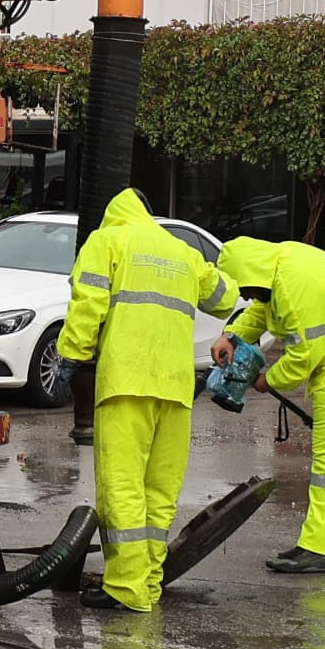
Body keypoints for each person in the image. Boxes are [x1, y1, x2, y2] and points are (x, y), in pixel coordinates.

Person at [40, 186, 238, 612]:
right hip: (177, 385)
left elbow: (88, 303)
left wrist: (71, 356)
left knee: (122, 485)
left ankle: (126, 588)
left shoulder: (107, 240)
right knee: (159, 490)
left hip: (126, 381)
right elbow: (224, 296)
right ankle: (147, 584)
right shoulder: (181, 250)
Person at [211, 230, 325, 574]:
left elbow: (305, 354)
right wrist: (231, 336)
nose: (247, 295)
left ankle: (315, 548)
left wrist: (268, 379)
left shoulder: (296, 282)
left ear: (253, 275)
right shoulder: (279, 267)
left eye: (246, 289)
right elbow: (263, 310)